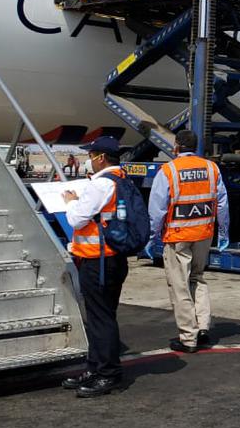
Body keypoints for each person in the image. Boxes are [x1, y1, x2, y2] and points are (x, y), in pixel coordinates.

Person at [59, 136, 130, 397]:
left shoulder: (100, 184)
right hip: (113, 259)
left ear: (101, 157)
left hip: (97, 262)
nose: (89, 159)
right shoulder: (121, 179)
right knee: (103, 316)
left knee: (100, 319)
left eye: (91, 155)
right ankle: (96, 368)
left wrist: (70, 201)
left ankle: (108, 374)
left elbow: (77, 219)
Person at [148, 130, 229, 353]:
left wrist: (151, 237)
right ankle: (203, 327)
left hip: (178, 236)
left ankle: (188, 337)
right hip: (204, 234)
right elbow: (221, 203)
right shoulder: (211, 168)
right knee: (198, 278)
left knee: (180, 286)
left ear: (176, 147)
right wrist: (224, 231)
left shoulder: (169, 171)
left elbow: (157, 210)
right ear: (197, 146)